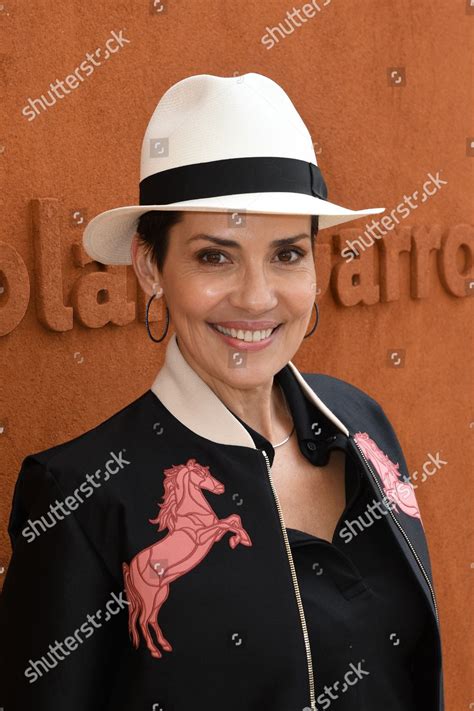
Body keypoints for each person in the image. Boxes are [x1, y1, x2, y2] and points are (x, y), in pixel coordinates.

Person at [0, 72, 444, 710]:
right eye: (216, 256)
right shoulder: (78, 496)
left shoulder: (360, 419)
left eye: (287, 255)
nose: (257, 297)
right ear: (153, 267)